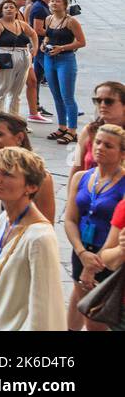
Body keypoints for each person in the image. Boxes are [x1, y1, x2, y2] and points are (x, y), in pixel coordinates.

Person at [0, 147, 66, 331]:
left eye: (8, 174)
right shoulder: (5, 220)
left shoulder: (40, 237)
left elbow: (44, 306)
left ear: (31, 187)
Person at [64, 123, 125, 331]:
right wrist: (81, 252)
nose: (100, 148)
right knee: (85, 311)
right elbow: (70, 219)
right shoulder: (82, 177)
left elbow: (118, 226)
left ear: (121, 153)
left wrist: (93, 264)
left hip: (107, 258)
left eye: (108, 145)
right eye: (97, 142)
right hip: (81, 252)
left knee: (97, 320)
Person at [43, 0, 86, 146]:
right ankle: (62, 127)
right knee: (56, 96)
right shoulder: (49, 19)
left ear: (64, 5)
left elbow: (82, 42)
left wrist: (62, 48)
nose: (54, 3)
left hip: (65, 60)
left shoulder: (71, 21)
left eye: (58, 1)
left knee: (67, 96)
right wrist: (44, 43)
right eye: (52, 1)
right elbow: (48, 36)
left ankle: (72, 130)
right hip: (49, 58)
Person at [0, 0, 35, 116]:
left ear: (16, 10)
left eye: (12, 7)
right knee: (1, 90)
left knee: (16, 92)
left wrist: (35, 48)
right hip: (5, 55)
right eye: (5, 7)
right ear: (1, 11)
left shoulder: (21, 24)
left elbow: (33, 34)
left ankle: (13, 118)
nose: (9, 9)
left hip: (23, 56)